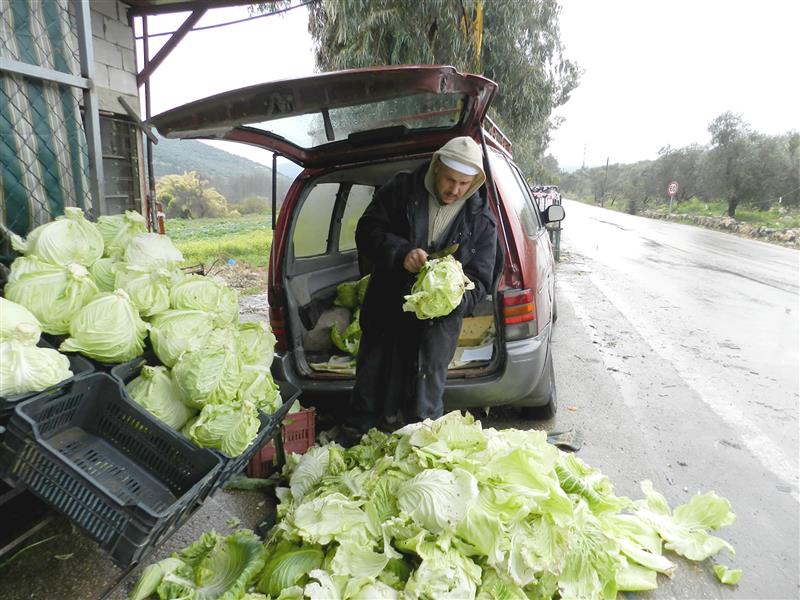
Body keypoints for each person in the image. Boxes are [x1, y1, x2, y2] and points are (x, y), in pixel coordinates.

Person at [347, 136, 498, 432]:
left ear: (475, 182)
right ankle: (359, 445)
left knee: (424, 406)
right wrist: (400, 252)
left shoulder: (482, 222)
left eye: (464, 184)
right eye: (450, 180)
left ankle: (415, 460)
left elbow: (481, 281)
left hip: (437, 328)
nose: (455, 190)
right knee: (370, 392)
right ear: (437, 167)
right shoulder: (402, 189)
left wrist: (451, 300)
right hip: (386, 310)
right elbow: (367, 231)